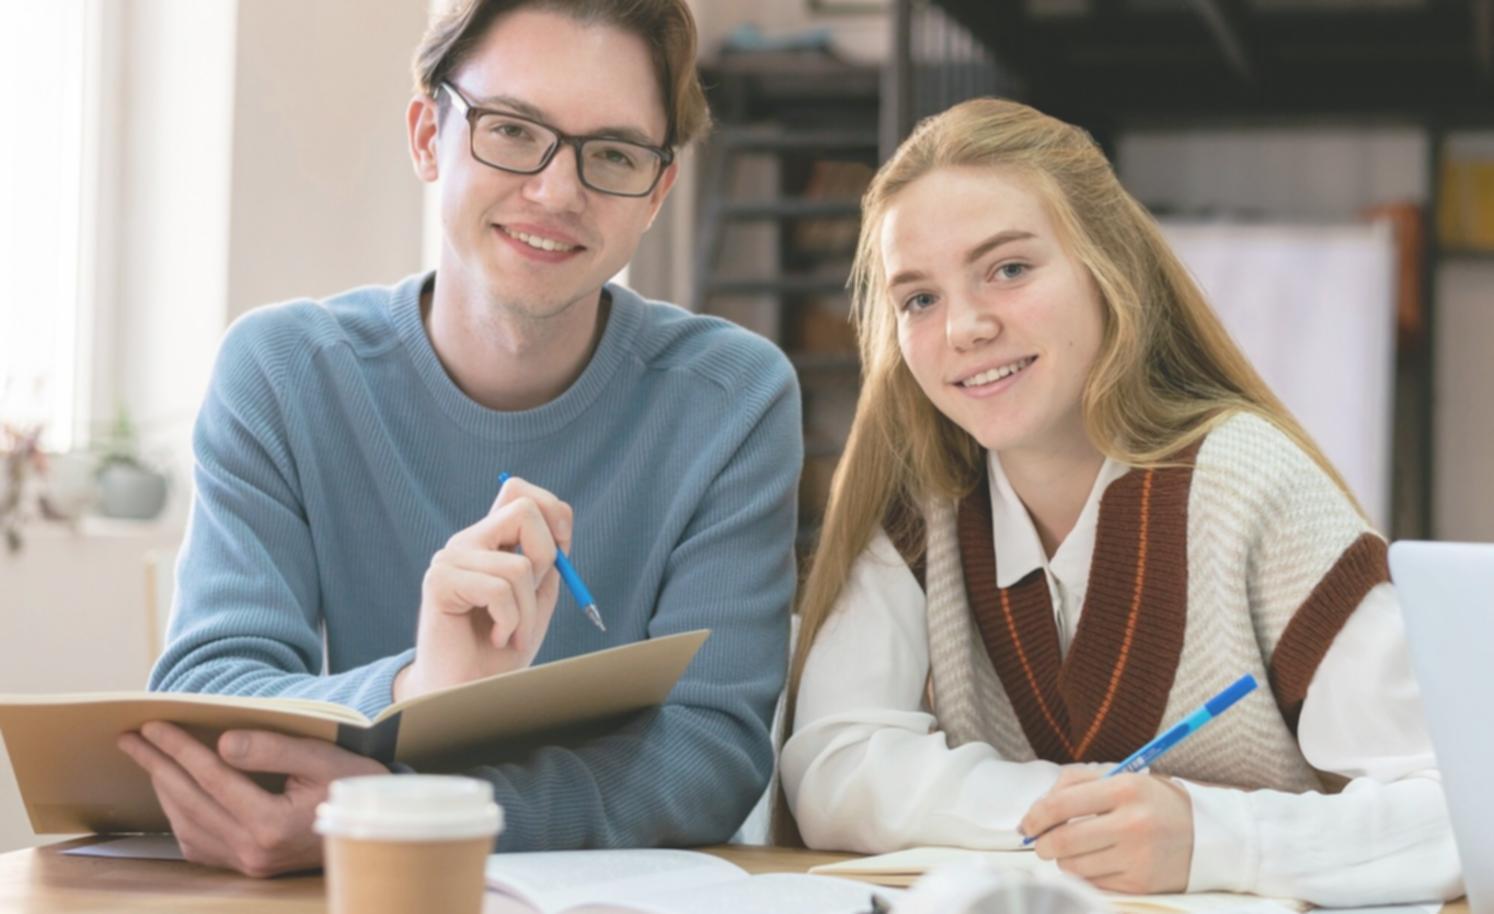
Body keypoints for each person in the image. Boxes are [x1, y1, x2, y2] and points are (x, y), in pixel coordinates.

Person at [117, 0, 802, 877]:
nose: (558, 192)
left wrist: (395, 810)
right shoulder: (283, 370)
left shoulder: (733, 398)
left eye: (616, 154)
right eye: (513, 131)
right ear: (427, 137)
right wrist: (423, 689)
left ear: (658, 193)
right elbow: (209, 696)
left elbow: (710, 754)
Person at [778, 98, 1462, 904]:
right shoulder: (921, 500)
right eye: (919, 299)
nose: (963, 327)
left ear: (1111, 269)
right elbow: (835, 766)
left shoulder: (1251, 486)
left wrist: (1209, 838)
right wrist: (1087, 817)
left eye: (1009, 268)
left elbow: (1457, 805)